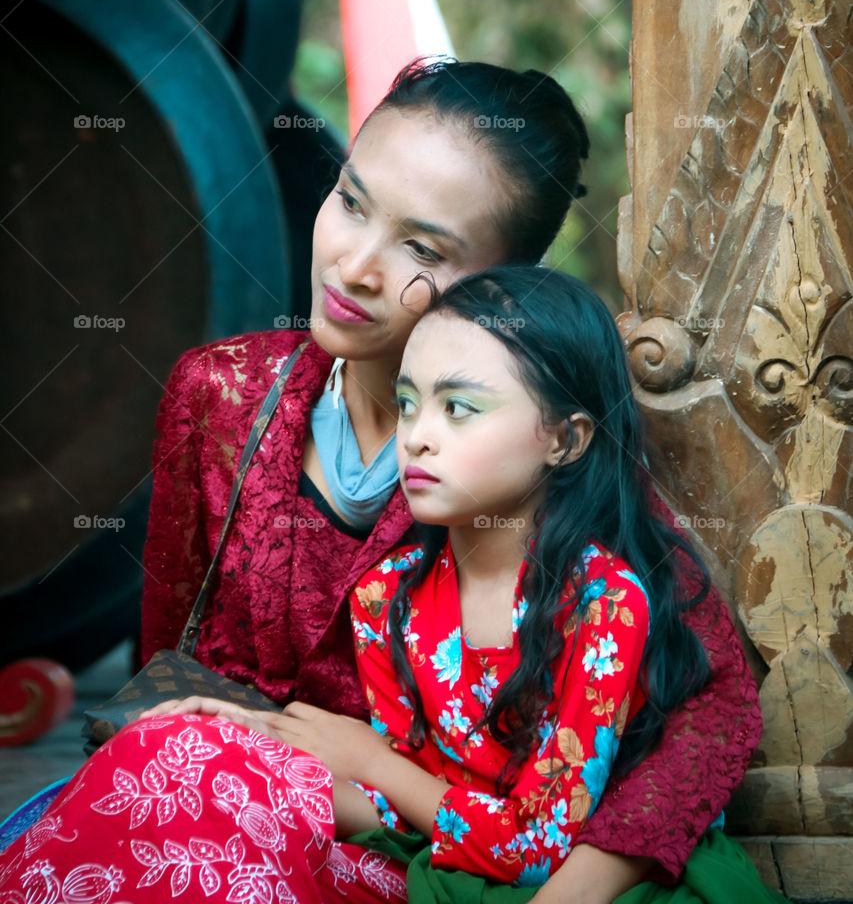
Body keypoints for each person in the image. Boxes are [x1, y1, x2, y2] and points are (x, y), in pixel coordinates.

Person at [77, 60, 757, 896]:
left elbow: (715, 708)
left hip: (415, 845)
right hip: (216, 791)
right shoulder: (217, 394)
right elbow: (167, 652)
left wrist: (569, 890)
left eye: (421, 248)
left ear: (504, 281)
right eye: (351, 202)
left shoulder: (519, 456)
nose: (354, 266)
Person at [0, 269, 777, 904]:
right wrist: (245, 744)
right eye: (407, 403)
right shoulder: (390, 595)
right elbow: (401, 811)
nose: (418, 435)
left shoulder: (603, 602)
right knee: (176, 756)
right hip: (429, 857)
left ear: (563, 439)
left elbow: (536, 849)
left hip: (534, 880)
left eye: (459, 408)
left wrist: (371, 764)